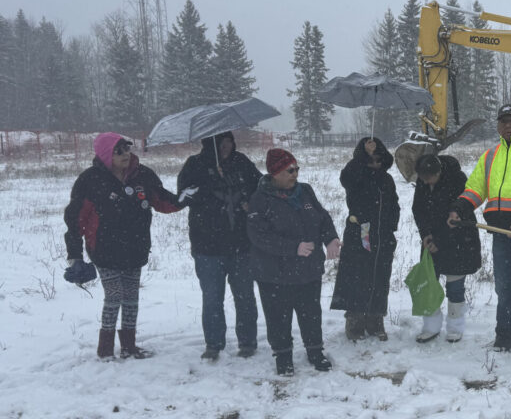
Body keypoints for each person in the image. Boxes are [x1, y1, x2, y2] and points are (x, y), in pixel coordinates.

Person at [64, 133, 184, 360]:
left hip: (135, 248)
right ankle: (105, 348)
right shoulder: (90, 180)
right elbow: (75, 219)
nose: (125, 154)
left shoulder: (143, 175)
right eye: (118, 151)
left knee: (131, 296)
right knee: (114, 295)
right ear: (105, 153)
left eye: (127, 149)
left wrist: (184, 199)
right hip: (103, 250)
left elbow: (162, 200)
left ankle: (129, 345)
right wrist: (75, 255)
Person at [448, 103, 511, 358]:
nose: (507, 124)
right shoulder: (490, 156)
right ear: (497, 125)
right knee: (504, 289)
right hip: (500, 234)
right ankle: (504, 335)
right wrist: (459, 208)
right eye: (503, 120)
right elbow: (475, 189)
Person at [248, 148, 340, 376]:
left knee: (311, 313)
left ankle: (315, 352)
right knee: (278, 316)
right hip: (274, 273)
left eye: (297, 168)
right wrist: (293, 248)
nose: (295, 173)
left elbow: (323, 217)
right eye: (290, 170)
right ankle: (283, 356)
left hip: (308, 270)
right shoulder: (260, 199)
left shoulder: (305, 191)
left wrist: (331, 238)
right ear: (275, 172)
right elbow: (258, 236)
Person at [177, 131, 262, 361]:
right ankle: (213, 344)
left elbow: (260, 187)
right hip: (207, 245)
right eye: (222, 143)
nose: (227, 147)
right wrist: (210, 186)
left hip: (241, 243)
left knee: (244, 296)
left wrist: (248, 201)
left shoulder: (241, 162)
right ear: (210, 144)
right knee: (212, 297)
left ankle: (247, 342)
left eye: (230, 142)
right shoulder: (194, 165)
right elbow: (183, 196)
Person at [330, 137, 400, 341]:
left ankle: (375, 318)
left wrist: (391, 226)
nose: (375, 163)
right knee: (358, 274)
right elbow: (346, 178)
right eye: (371, 160)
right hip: (361, 230)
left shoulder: (387, 180)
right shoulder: (356, 176)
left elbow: (394, 205)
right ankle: (355, 320)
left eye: (378, 159)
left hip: (383, 234)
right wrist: (364, 156)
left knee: (380, 275)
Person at [412, 153, 481, 342]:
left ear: (439, 172)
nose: (425, 183)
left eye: (429, 178)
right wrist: (425, 234)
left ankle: (455, 327)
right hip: (431, 240)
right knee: (429, 285)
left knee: (455, 287)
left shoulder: (458, 180)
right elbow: (418, 209)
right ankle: (431, 326)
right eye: (422, 179)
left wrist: (439, 241)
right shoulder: (422, 181)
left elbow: (456, 218)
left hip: (458, 242)